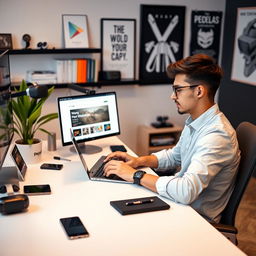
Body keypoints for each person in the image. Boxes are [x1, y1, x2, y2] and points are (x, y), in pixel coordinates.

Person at [103, 54, 240, 223]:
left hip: (195, 220)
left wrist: (135, 175)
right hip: (181, 206)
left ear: (199, 91)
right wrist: (138, 161)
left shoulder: (217, 135)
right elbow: (175, 156)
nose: (172, 96)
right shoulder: (197, 122)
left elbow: (186, 190)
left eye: (178, 89)